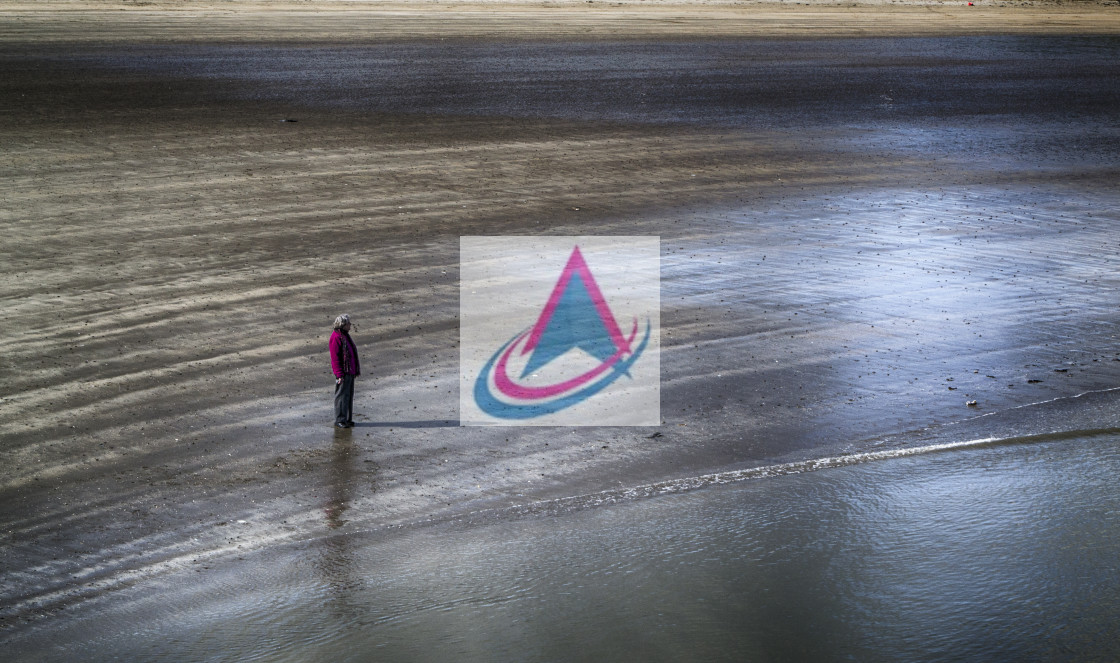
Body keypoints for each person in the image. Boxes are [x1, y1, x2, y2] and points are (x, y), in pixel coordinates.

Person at [329, 314, 361, 428]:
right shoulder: (336, 337)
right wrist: (339, 375)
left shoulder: (345, 335)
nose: (350, 325)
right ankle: (340, 419)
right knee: (341, 396)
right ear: (343, 325)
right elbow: (335, 358)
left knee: (348, 396)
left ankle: (347, 419)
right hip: (343, 373)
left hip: (350, 371)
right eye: (348, 324)